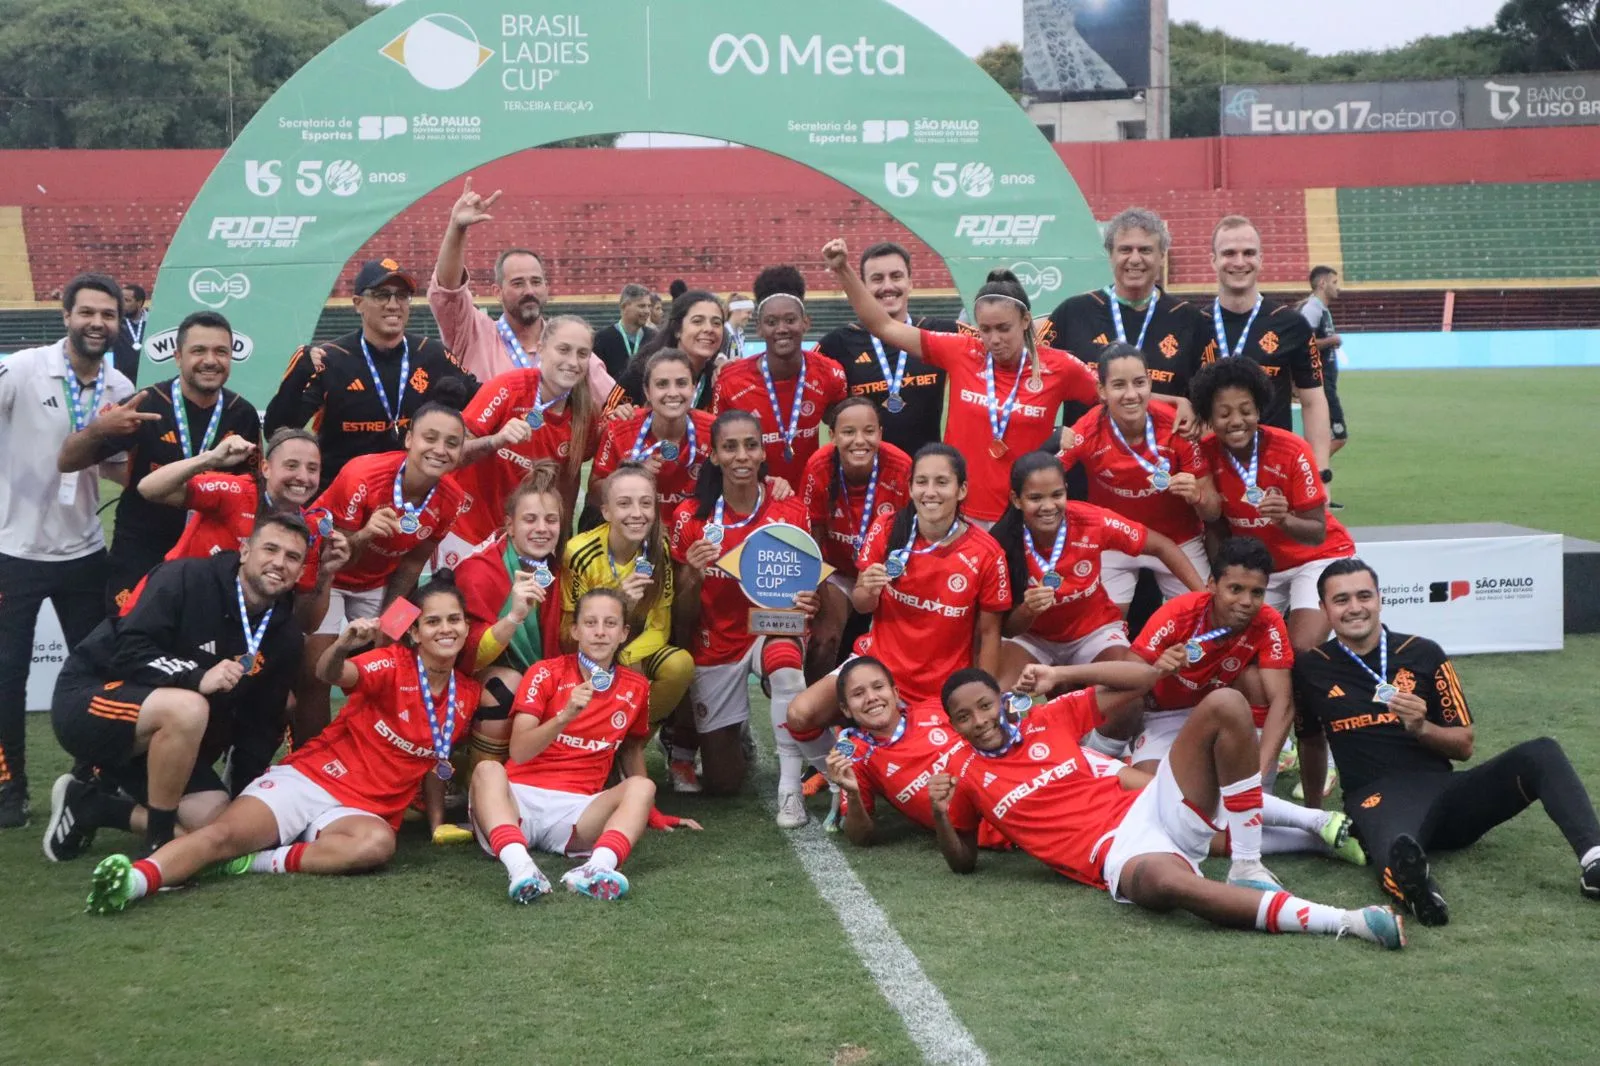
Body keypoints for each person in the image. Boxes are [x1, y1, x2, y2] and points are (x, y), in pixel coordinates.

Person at [82, 578, 488, 914]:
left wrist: (438, 823)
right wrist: (343, 645)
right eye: (433, 621)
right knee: (218, 835)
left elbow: (436, 761)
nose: (446, 628)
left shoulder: (466, 695)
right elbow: (330, 672)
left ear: (467, 627)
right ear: (415, 632)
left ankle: (255, 861)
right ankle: (133, 881)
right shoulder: (390, 665)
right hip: (313, 780)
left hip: (361, 811)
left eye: (454, 619)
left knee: (376, 846)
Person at [926, 665, 1404, 948]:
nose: (980, 721)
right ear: (953, 726)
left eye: (986, 706)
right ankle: (1348, 921)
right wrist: (942, 814)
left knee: (1225, 702)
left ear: (1002, 700)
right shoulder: (965, 777)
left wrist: (1065, 674)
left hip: (1150, 804)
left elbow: (1145, 677)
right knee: (1166, 883)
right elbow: (963, 862)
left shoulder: (1047, 718)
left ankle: (1247, 862)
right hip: (1117, 854)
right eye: (964, 717)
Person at [1294, 559, 1600, 922]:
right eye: (1341, 599)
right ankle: (1421, 891)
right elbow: (1310, 742)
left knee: (1541, 753)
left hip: (1447, 794)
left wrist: (1422, 727)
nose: (1355, 607)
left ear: (1379, 599)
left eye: (1364, 595)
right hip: (1377, 797)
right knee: (1395, 843)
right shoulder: (1311, 668)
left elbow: (1464, 745)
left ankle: (1594, 860)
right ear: (1324, 609)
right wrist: (1313, 815)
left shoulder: (1423, 653)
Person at [44, 517, 308, 861]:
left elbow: (260, 725)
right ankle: (158, 843)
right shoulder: (186, 578)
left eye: (292, 557)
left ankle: (91, 806)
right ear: (244, 551)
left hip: (166, 741)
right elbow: (129, 650)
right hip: (89, 701)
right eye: (270, 549)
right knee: (187, 707)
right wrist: (196, 677)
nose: (279, 563)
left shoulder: (284, 634)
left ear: (300, 573)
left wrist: (245, 798)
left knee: (217, 826)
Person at [822, 238, 1097, 527]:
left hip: (1024, 514)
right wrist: (843, 270)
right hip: (960, 514)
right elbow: (884, 326)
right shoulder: (963, 351)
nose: (995, 339)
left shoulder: (1060, 366)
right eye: (986, 329)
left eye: (1004, 328)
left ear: (1026, 320)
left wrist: (1075, 435)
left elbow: (1115, 401)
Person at [0, 272, 137, 828]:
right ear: (66, 316)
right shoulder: (24, 367)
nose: (98, 324)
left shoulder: (120, 385)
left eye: (108, 315)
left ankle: (89, 779)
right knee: (7, 674)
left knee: (98, 670)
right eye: (88, 313)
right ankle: (9, 789)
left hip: (83, 552)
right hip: (13, 550)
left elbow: (109, 466)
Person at [783, 444, 1010, 768]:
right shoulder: (889, 528)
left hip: (939, 688)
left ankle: (872, 764)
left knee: (930, 768)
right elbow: (862, 606)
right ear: (911, 486)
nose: (930, 492)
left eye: (941, 482)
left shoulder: (986, 553)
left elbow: (990, 634)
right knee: (800, 713)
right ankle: (841, 774)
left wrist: (985, 700)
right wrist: (870, 589)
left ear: (961, 490)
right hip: (878, 671)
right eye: (922, 482)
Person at [470, 589, 698, 902]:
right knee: (487, 770)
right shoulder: (545, 672)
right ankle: (521, 868)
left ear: (623, 634)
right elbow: (520, 751)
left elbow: (630, 751)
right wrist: (564, 717)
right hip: (518, 799)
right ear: (575, 631)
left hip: (577, 812)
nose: (600, 632)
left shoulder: (636, 688)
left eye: (610, 624)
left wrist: (651, 813)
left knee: (643, 787)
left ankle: (595, 869)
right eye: (590, 623)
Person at [296, 388, 472, 745]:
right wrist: (363, 535)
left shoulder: (451, 499)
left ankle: (369, 748)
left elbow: (411, 565)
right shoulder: (362, 474)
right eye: (430, 438)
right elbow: (337, 553)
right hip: (329, 575)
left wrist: (391, 623)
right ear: (409, 438)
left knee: (392, 664)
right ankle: (308, 755)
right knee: (317, 674)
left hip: (379, 581)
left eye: (452, 443)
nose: (440, 449)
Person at [59, 309, 261, 615]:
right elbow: (70, 461)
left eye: (221, 351)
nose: (210, 360)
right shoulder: (146, 404)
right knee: (126, 641)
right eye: (199, 351)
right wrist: (100, 429)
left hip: (210, 556)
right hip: (141, 553)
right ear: (178, 357)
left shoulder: (241, 413)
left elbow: (253, 491)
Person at [668, 410, 817, 822]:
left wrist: (809, 601)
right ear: (713, 455)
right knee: (724, 782)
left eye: (750, 445)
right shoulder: (690, 518)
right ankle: (735, 733)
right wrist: (693, 576)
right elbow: (683, 612)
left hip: (771, 628)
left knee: (787, 668)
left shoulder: (790, 509)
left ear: (763, 450)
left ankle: (790, 791)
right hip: (716, 641)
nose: (741, 456)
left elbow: (807, 587)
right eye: (729, 447)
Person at [991, 452, 1204, 691]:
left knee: (1126, 700)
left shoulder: (1092, 521)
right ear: (1016, 499)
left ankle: (1069, 687)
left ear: (1066, 491)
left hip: (1094, 633)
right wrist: (1028, 610)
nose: (1048, 506)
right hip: (1033, 639)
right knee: (1000, 701)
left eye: (1057, 495)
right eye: (1035, 498)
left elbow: (1162, 546)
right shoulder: (1000, 544)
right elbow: (1008, 628)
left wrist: (1205, 595)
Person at [265, 258, 478, 492]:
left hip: (410, 499)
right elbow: (278, 431)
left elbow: (480, 397)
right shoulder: (331, 359)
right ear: (358, 303)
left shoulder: (432, 354)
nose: (393, 304)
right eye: (381, 295)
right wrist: (298, 376)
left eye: (402, 295)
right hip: (341, 497)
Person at [1189, 358, 1355, 652]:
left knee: (1301, 647)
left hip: (1314, 557)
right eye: (1224, 413)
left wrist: (1284, 520)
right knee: (1236, 648)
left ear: (1259, 409)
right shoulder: (1205, 453)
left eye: (1246, 410)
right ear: (1209, 418)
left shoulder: (1292, 449)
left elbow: (1317, 532)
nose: (1237, 421)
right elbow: (1215, 527)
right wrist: (1222, 577)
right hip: (1261, 568)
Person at [125, 428, 351, 630]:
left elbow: (306, 625)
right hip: (167, 607)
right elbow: (149, 488)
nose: (303, 477)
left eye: (313, 469)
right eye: (291, 465)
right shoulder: (235, 491)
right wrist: (209, 458)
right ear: (266, 468)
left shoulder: (310, 530)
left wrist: (326, 574)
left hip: (226, 629)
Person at [1059, 343, 1218, 615]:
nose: (1131, 395)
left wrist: (1198, 497)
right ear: (1102, 391)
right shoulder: (1088, 429)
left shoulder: (1178, 426)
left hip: (1179, 539)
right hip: (1114, 540)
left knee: (1207, 613)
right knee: (1098, 625)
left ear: (1150, 384)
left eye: (1139, 383)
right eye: (1119, 385)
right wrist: (1053, 438)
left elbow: (1213, 511)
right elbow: (1043, 475)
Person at [427, 178, 614, 399]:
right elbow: (449, 291)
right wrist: (457, 229)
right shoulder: (474, 334)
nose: (529, 291)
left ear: (546, 288)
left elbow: (614, 404)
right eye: (518, 283)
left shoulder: (570, 348)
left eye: (536, 282)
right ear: (497, 292)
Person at [1128, 536, 1295, 778]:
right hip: (1163, 714)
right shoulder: (1178, 613)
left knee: (1256, 681)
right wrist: (1156, 671)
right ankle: (1108, 753)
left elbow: (1283, 702)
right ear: (1212, 585)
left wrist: (1259, 770)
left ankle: (1258, 790)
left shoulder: (1269, 621)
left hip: (1221, 712)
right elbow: (1128, 671)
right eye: (1235, 589)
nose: (1246, 602)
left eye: (1257, 592)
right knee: (1151, 791)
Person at [447, 315, 600, 562]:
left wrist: (561, 546)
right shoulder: (508, 388)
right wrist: (496, 440)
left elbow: (567, 488)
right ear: (541, 349)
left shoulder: (586, 415)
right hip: (466, 532)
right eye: (563, 350)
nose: (572, 362)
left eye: (582, 354)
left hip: (523, 543)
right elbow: (452, 455)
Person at [1042, 208, 1206, 435]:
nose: (1135, 259)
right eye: (1125, 250)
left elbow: (1209, 400)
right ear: (1110, 255)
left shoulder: (1191, 320)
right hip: (1086, 462)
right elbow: (1032, 382)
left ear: (1162, 256)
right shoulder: (1072, 313)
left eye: (1146, 250)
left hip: (1162, 463)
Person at [562, 465, 692, 749]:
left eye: (646, 503)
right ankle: (591, 740)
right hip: (584, 655)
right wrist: (616, 603)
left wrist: (626, 658)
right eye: (624, 504)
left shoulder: (660, 550)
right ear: (606, 511)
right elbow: (567, 632)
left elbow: (660, 626)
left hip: (630, 652)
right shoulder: (578, 553)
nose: (637, 513)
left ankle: (631, 742)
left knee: (679, 665)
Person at [822, 656, 1004, 850]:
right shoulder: (856, 757)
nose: (871, 698)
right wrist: (852, 793)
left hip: (1014, 789)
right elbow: (860, 837)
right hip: (996, 830)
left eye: (878, 687)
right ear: (846, 709)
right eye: (858, 694)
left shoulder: (935, 708)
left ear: (896, 693)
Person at [1202, 216, 1332, 477]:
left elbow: (1313, 402)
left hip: (1276, 471)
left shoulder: (1292, 325)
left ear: (1261, 259)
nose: (1239, 262)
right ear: (1213, 260)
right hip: (1212, 474)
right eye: (1229, 253)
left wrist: (1321, 474)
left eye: (1248, 253)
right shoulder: (1196, 325)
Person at [797, 397, 912, 682]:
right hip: (837, 572)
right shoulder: (819, 466)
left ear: (880, 434)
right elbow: (812, 535)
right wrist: (821, 600)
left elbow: (912, 532)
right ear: (833, 436)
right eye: (848, 432)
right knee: (823, 639)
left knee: (900, 644)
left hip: (885, 573)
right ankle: (817, 717)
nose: (859, 441)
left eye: (869, 431)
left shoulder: (901, 467)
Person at [815, 241, 963, 456]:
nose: (887, 286)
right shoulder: (837, 343)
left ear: (910, 283)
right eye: (877, 279)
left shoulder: (942, 332)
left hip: (924, 477)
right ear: (863, 287)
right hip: (865, 477)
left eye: (896, 276)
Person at [711, 266, 848, 489]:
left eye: (790, 320)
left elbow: (843, 428)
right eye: (772, 322)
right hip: (756, 498)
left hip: (811, 496)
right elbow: (717, 449)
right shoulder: (730, 381)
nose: (782, 329)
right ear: (759, 329)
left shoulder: (831, 374)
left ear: (806, 323)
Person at [592, 349, 715, 513]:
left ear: (693, 388)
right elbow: (594, 492)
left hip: (692, 533)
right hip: (637, 529)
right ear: (647, 391)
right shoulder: (621, 427)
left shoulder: (713, 430)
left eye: (681, 383)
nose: (672, 393)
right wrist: (632, 476)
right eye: (662, 384)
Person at [609, 291, 727, 412]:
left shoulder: (717, 379)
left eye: (716, 323)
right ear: (677, 329)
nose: (709, 329)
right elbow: (606, 419)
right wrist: (620, 414)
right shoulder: (641, 372)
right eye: (697, 321)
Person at [1300, 265, 1348, 507]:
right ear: (1322, 284)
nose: (1337, 287)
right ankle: (1304, 474)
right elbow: (1303, 343)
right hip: (1319, 383)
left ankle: (1318, 490)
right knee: (1339, 436)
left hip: (1327, 382)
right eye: (1335, 282)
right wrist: (1331, 341)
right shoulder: (1312, 310)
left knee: (1327, 437)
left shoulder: (1322, 310)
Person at [591, 284, 657, 381]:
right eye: (642, 306)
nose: (647, 311)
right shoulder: (602, 338)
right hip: (612, 395)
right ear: (624, 306)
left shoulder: (654, 338)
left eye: (649, 306)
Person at [114, 282, 147, 385]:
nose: (122, 304)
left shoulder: (154, 323)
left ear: (139, 302)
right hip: (122, 381)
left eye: (127, 300)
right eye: (121, 300)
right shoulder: (115, 323)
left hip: (147, 380)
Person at [724, 293, 753, 360]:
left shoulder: (740, 333)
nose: (750, 317)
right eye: (748, 313)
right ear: (736, 311)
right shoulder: (723, 333)